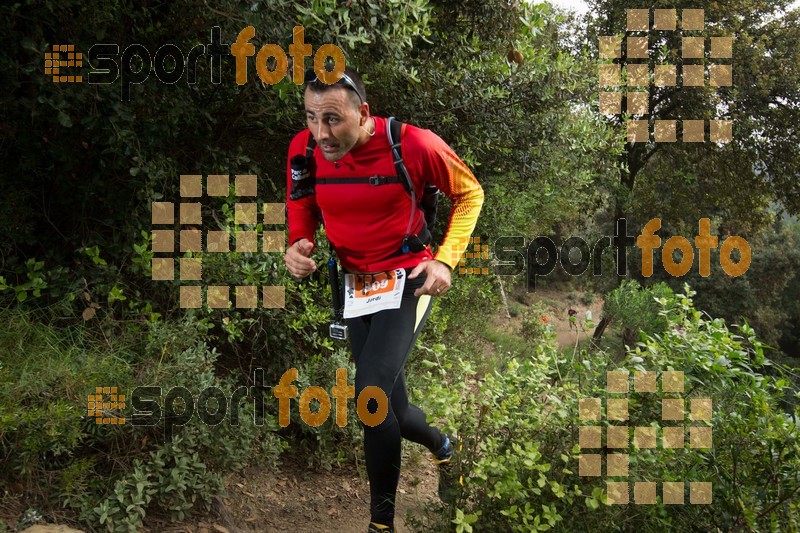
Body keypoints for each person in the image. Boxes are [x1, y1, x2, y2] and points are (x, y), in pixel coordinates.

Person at [283, 66, 484, 533]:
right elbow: (302, 201)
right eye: (312, 118)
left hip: (408, 278)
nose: (321, 132)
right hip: (356, 285)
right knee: (391, 407)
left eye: (332, 119)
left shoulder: (414, 144)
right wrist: (299, 241)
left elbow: (470, 194)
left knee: (370, 394)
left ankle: (381, 525)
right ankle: (444, 445)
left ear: (363, 113)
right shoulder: (304, 148)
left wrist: (445, 261)